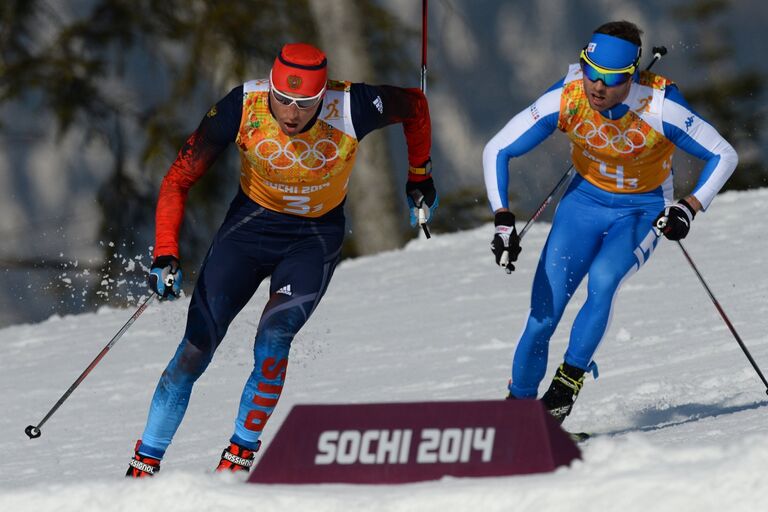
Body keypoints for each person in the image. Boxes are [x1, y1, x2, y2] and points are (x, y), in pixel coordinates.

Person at [126, 42, 437, 477]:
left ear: (323, 95)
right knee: (195, 349)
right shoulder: (242, 105)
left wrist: (419, 175)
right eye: (283, 100)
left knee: (273, 342)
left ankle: (238, 456)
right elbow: (179, 179)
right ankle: (144, 464)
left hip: (312, 238)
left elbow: (416, 106)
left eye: (305, 104)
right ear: (269, 87)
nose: (291, 114)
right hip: (248, 230)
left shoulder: (353, 104)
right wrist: (165, 251)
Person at [482, 21, 737, 426]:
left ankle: (562, 394)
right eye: (590, 72)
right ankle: (517, 415)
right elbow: (497, 148)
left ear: (632, 75)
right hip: (582, 204)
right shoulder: (567, 98)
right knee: (542, 316)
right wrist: (501, 219)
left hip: (642, 209)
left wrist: (689, 207)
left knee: (602, 280)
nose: (597, 87)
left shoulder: (660, 106)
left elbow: (723, 154)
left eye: (612, 79)